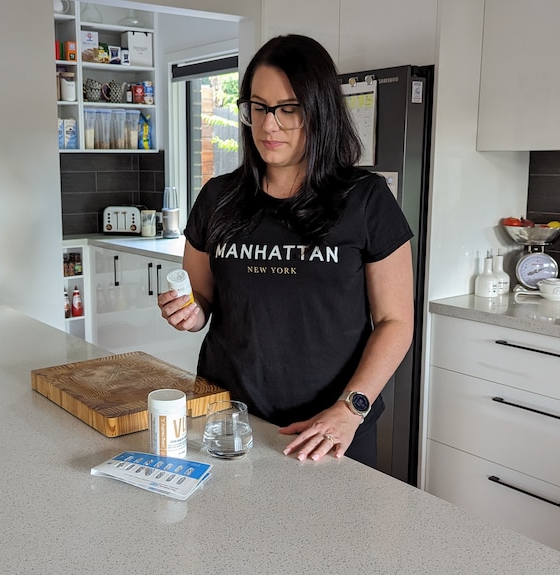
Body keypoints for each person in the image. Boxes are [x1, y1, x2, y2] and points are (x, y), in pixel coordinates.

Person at [157, 34, 414, 468]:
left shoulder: (367, 199)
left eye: (288, 109)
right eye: (258, 108)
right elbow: (202, 299)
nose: (268, 125)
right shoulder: (217, 198)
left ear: (320, 112)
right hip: (228, 420)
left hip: (327, 430)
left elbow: (395, 322)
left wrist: (351, 410)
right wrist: (190, 311)